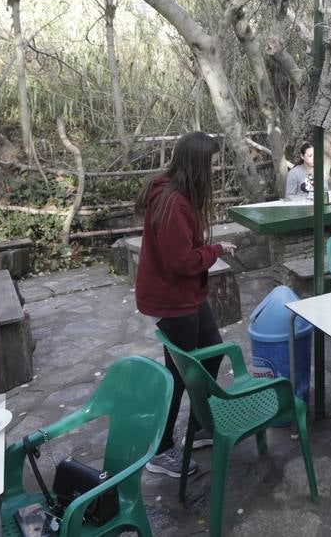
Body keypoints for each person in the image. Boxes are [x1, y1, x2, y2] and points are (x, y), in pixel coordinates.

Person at [134, 131, 238, 478]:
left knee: (212, 352)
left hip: (187, 295)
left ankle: (199, 427)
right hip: (173, 299)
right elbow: (182, 261)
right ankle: (160, 450)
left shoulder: (177, 195)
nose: (216, 168)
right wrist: (216, 250)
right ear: (197, 164)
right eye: (212, 162)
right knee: (179, 376)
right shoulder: (172, 202)